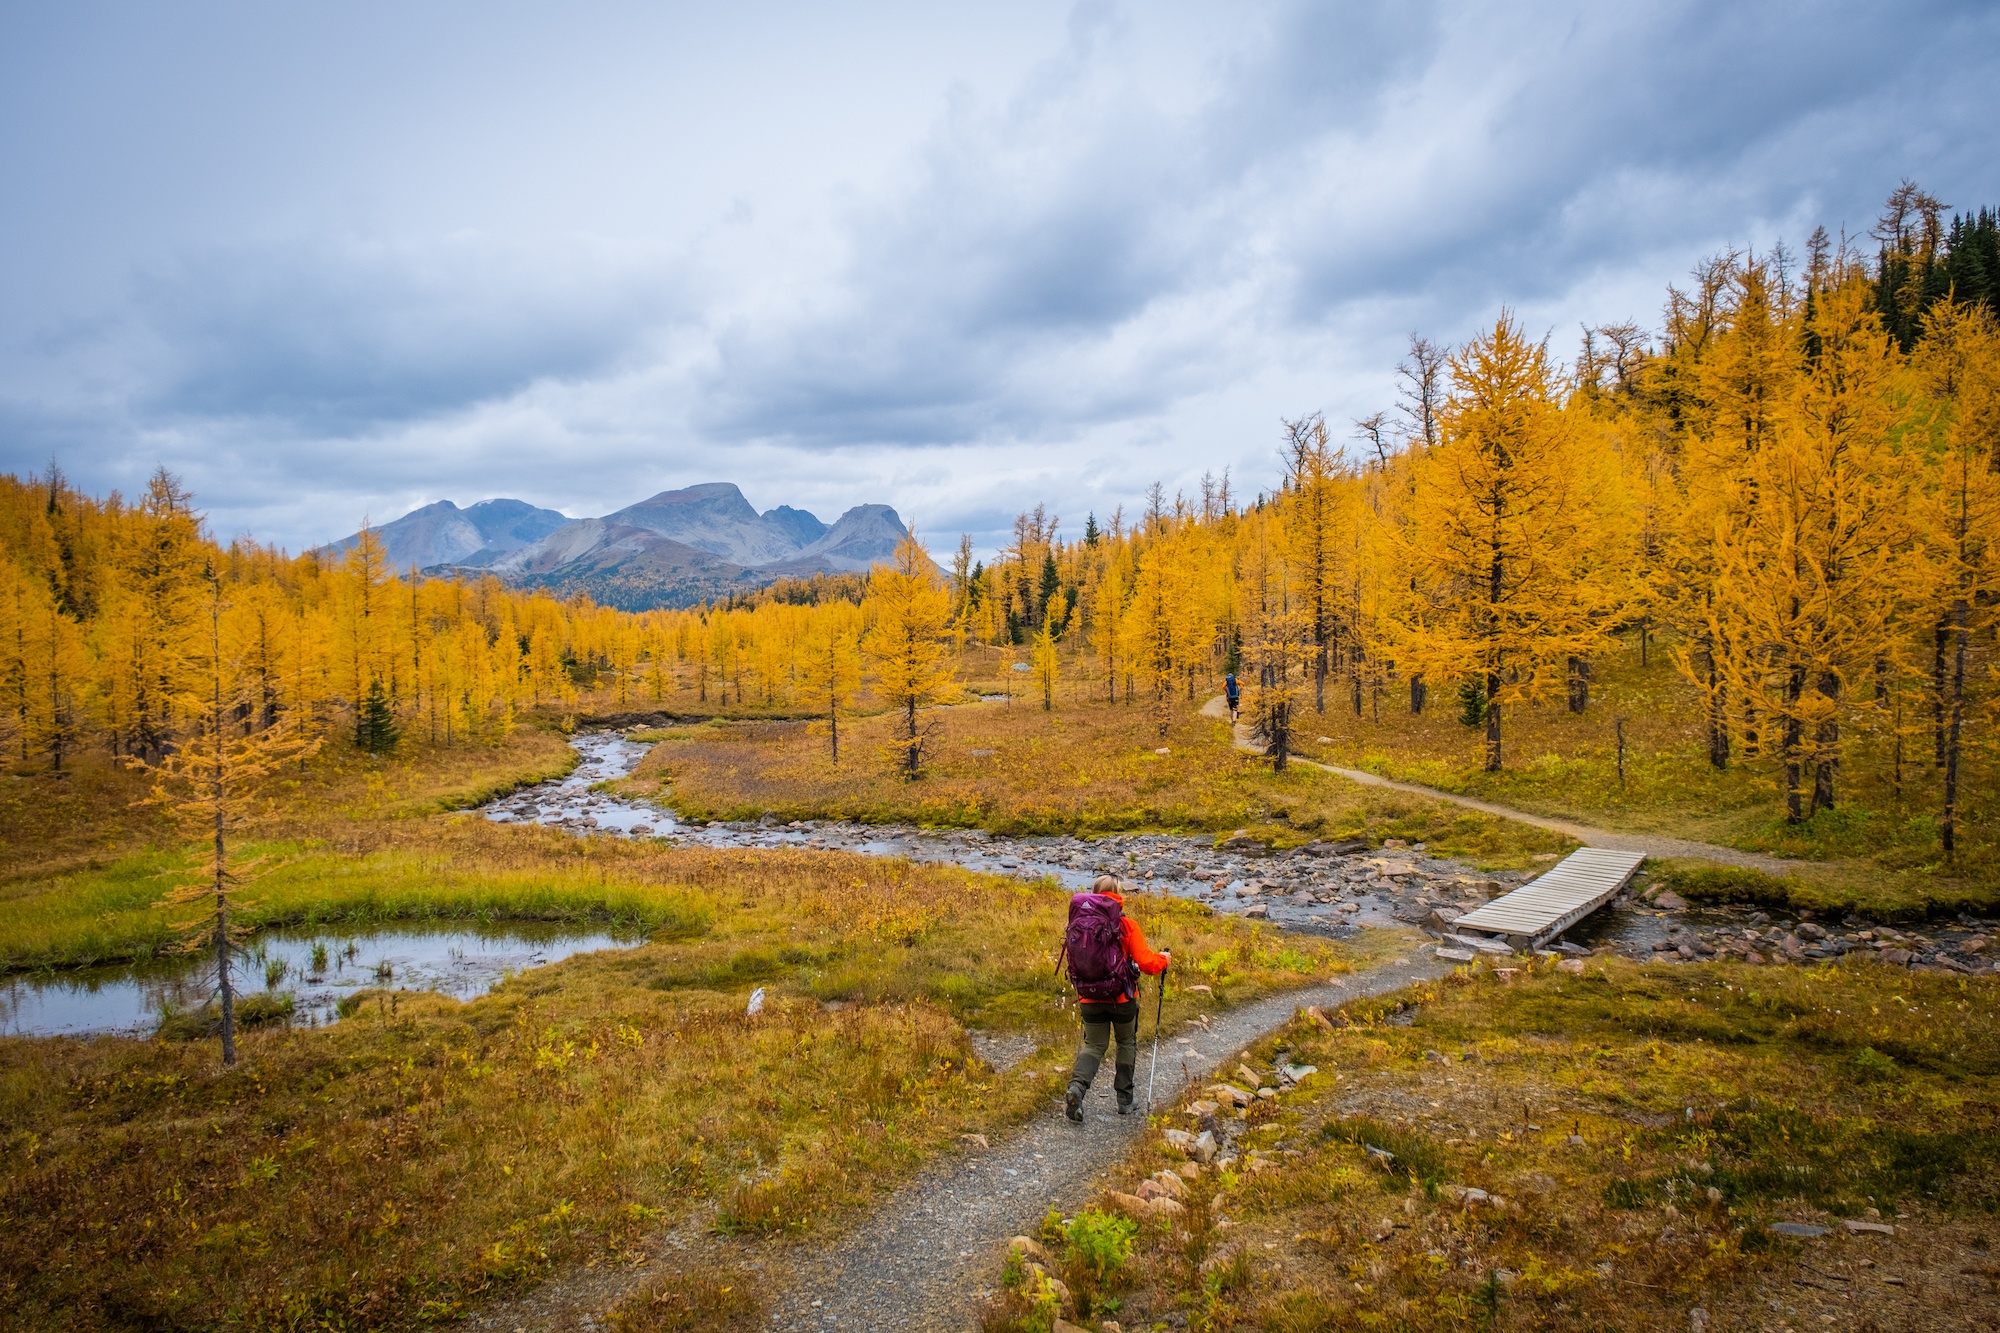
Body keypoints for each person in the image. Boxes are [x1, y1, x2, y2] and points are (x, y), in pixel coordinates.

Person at [1063, 875, 1170, 1123]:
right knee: (1125, 1042)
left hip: (1089, 997)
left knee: (1094, 1046)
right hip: (1122, 998)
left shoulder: (1080, 922)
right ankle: (1125, 1101)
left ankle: (1076, 1089)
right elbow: (1147, 963)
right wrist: (1165, 958)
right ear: (1118, 894)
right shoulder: (1126, 925)